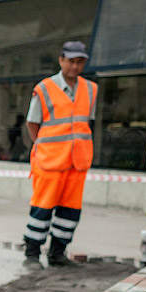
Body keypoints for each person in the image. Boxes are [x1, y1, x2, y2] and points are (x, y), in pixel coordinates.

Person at [22, 40, 98, 270]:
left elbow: (87, 121)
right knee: (42, 209)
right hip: (50, 161)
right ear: (61, 60)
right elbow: (32, 123)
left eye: (80, 62)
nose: (75, 66)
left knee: (70, 211)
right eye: (71, 61)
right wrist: (45, 145)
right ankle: (32, 254)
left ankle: (57, 254)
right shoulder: (44, 88)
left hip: (78, 162)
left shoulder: (90, 89)